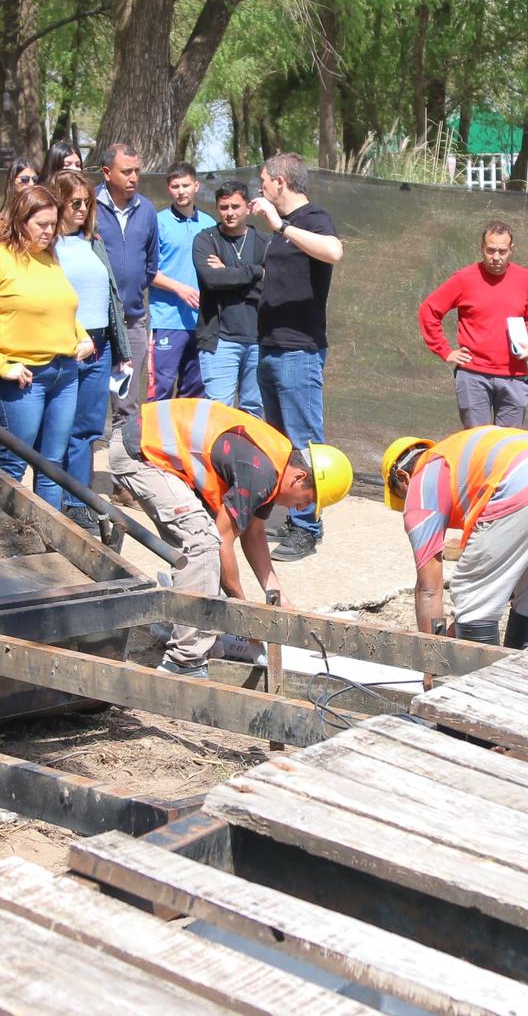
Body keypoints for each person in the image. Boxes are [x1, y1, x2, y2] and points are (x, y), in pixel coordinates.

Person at [109, 398, 351, 677]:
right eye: (306, 501)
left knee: (200, 550)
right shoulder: (261, 472)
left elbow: (254, 534)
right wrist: (243, 610)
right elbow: (222, 539)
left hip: (149, 446)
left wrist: (277, 594)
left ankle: (200, 638)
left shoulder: (276, 463)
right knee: (203, 542)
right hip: (138, 452)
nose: (299, 509)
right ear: (299, 478)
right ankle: (183, 660)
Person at [381, 428, 528, 650]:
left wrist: (433, 662)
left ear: (403, 477)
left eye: (402, 497)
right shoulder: (459, 457)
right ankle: (518, 677)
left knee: (474, 601)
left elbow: (429, 590)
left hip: (526, 485)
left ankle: (472, 681)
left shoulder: (423, 478)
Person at [0, 183, 92, 508]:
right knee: (14, 462)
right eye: (42, 225)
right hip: (22, 379)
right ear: (21, 221)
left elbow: (59, 308)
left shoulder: (50, 260)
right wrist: (1, 364)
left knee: (52, 466)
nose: (49, 232)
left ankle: (49, 545)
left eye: (53, 224)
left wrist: (82, 336)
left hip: (64, 374)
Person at [251, 152, 343, 560]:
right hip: (271, 346)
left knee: (305, 443)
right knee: (281, 444)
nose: (261, 188)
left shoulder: (313, 217)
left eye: (263, 181)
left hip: (299, 351)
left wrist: (282, 226)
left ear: (280, 183)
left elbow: (334, 252)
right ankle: (292, 515)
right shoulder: (281, 230)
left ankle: (309, 527)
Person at [51, 169, 132, 528]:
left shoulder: (93, 241)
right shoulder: (46, 245)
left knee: (87, 430)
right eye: (76, 203)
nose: (83, 209)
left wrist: (121, 347)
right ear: (58, 203)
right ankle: (52, 500)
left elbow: (111, 297)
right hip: (63, 347)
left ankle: (78, 500)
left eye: (88, 203)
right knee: (58, 428)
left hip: (99, 348)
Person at [418, 221, 528, 428]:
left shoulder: (525, 278)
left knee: (508, 445)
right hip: (473, 376)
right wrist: (445, 351)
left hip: (514, 376)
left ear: (512, 249)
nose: (496, 257)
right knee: (477, 443)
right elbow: (429, 311)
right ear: (481, 248)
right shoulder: (464, 278)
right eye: (490, 250)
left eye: (502, 251)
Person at [94, 143, 159, 420]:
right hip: (93, 320)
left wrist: (132, 290)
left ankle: (124, 455)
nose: (133, 177)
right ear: (107, 173)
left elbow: (151, 264)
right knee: (91, 396)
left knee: (127, 397)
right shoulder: (88, 205)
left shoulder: (147, 210)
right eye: (126, 171)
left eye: (137, 171)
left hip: (132, 319)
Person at [193, 181, 266, 412]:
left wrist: (227, 272)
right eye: (224, 207)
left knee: (253, 410)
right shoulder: (207, 240)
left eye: (235, 206)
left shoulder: (265, 243)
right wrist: (255, 272)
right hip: (220, 341)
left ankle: (248, 450)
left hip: (258, 341)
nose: (230, 213)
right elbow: (211, 280)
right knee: (219, 411)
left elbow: (271, 288)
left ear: (248, 207)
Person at [148, 162, 213, 400]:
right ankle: (154, 439)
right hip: (167, 319)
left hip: (202, 321)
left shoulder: (209, 224)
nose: (181, 191)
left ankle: (186, 438)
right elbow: (148, 271)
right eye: (175, 186)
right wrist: (179, 289)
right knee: (161, 388)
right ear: (168, 189)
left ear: (196, 186)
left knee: (195, 390)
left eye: (186, 185)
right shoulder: (158, 222)